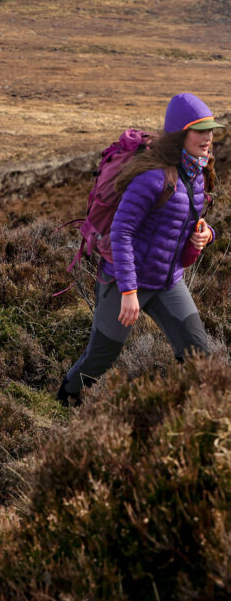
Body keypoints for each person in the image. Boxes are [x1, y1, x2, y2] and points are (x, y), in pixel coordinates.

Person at [58, 92, 221, 404]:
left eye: (211, 130)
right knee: (101, 356)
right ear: (180, 134)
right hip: (124, 281)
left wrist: (207, 234)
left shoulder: (198, 172)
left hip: (166, 280)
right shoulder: (151, 178)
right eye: (200, 130)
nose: (208, 137)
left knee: (198, 351)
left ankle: (191, 412)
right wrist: (129, 292)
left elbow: (188, 221)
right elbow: (121, 231)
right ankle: (67, 397)